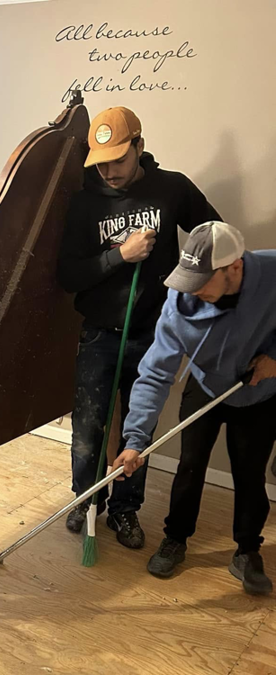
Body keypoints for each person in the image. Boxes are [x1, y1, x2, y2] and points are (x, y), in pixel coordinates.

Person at [58, 105, 220, 550]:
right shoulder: (84, 202)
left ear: (140, 148)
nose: (109, 171)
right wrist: (120, 256)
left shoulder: (172, 189)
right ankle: (87, 500)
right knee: (88, 429)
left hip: (153, 336)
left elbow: (215, 237)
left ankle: (125, 511)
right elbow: (68, 276)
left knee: (137, 431)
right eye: (101, 162)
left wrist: (187, 293)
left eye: (119, 160)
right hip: (97, 335)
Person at [114, 221, 276, 595]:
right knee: (189, 466)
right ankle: (176, 539)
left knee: (249, 474)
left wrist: (274, 360)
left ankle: (247, 550)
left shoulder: (270, 274)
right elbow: (155, 373)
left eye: (202, 281)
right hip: (206, 384)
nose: (192, 290)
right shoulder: (179, 305)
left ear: (234, 266)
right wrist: (135, 440)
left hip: (259, 388)